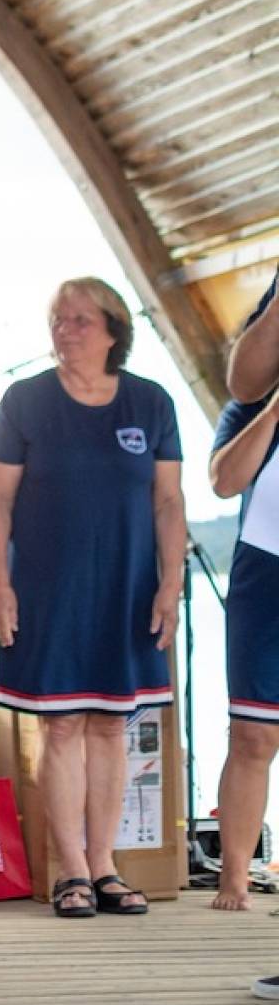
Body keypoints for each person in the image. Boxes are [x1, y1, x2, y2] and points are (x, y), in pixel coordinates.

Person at [0, 277, 184, 918]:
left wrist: (171, 584)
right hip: (47, 590)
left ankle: (105, 867)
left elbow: (168, 501)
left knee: (112, 723)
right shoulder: (26, 401)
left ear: (113, 331)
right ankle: (71, 871)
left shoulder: (151, 402)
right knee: (62, 724)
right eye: (58, 319)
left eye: (79, 320)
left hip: (128, 587)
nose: (65, 331)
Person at [206, 267, 279, 919]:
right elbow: (224, 481)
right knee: (253, 735)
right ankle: (235, 873)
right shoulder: (255, 403)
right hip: (266, 572)